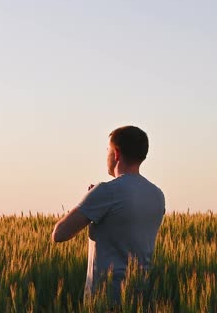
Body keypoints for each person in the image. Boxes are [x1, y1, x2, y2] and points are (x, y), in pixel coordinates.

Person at [51, 125, 165, 306]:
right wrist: (94, 203)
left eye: (107, 150)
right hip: (141, 297)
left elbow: (59, 234)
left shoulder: (106, 191)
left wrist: (88, 200)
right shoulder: (157, 195)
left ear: (116, 153)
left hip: (105, 298)